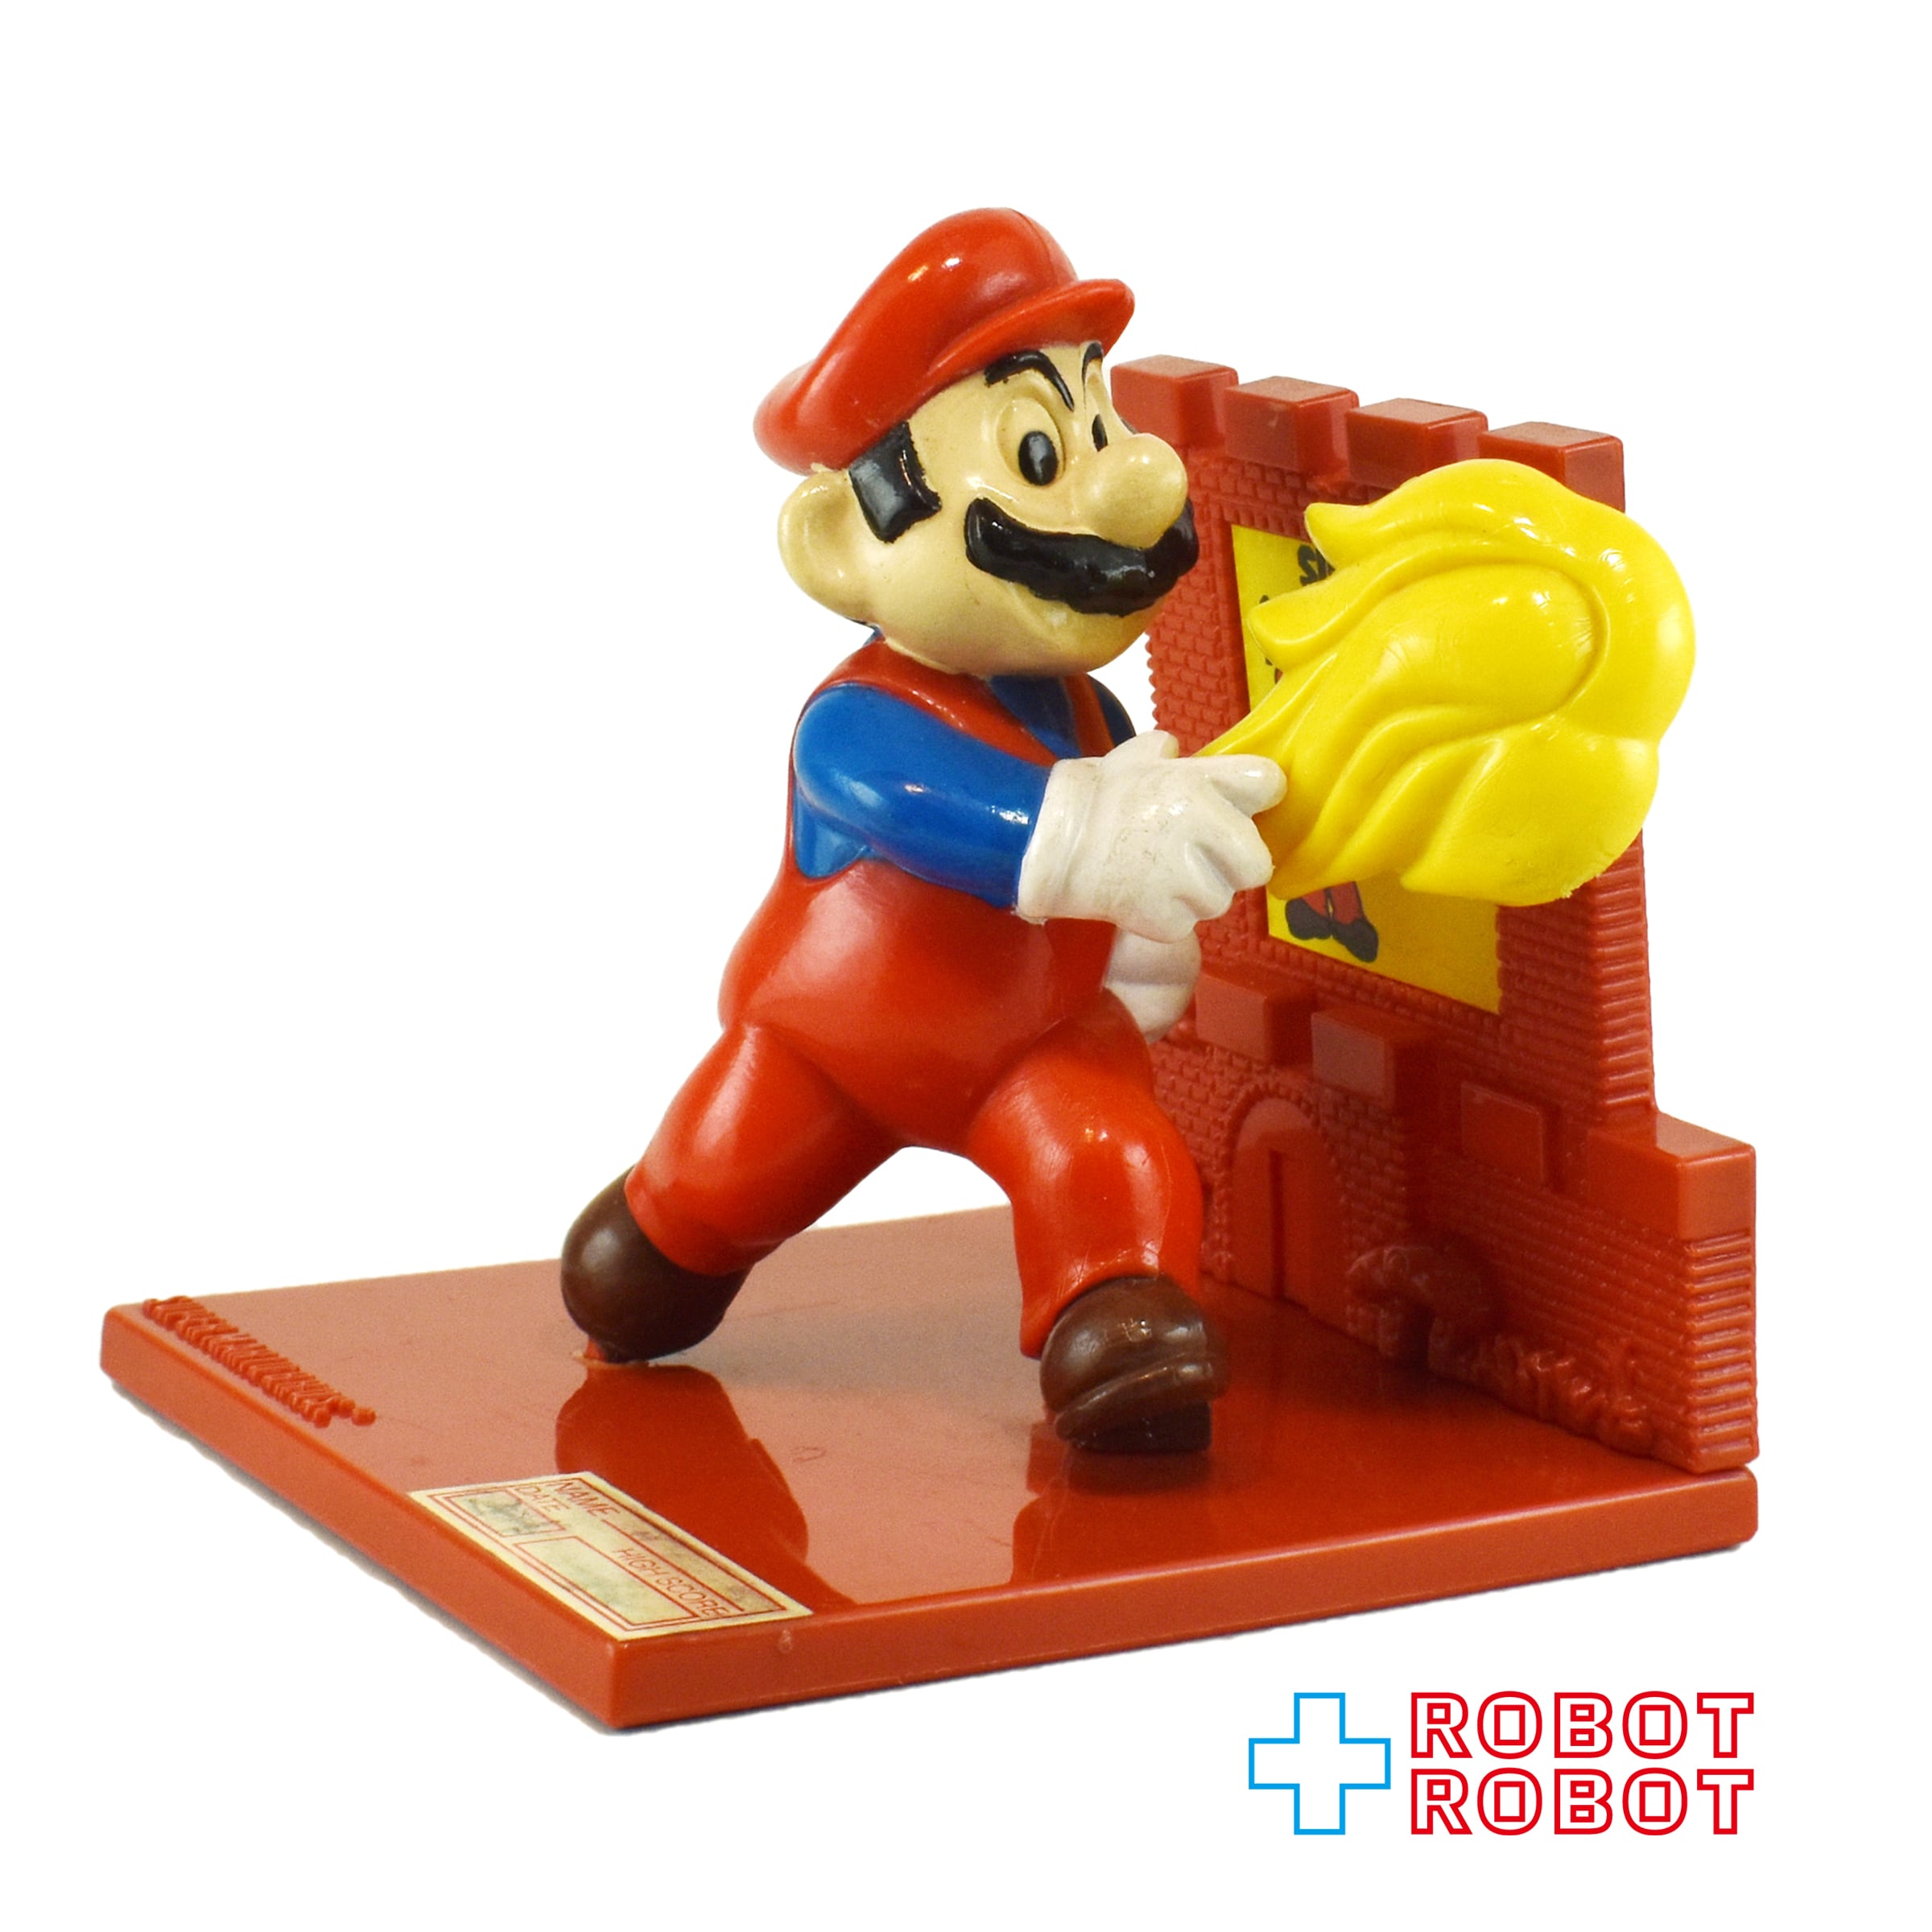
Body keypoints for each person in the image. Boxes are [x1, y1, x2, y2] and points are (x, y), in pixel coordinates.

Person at [563, 210, 1283, 1452]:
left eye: (1098, 429)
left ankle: (1120, 1322)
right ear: (843, 542)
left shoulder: (1092, 718)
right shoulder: (857, 723)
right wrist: (1093, 837)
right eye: (1041, 453)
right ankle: (661, 1244)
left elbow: (1115, 851)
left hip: (1030, 1046)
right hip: (824, 1048)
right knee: (702, 1193)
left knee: (1110, 1158)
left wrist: (1141, 942)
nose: (1135, 481)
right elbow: (952, 813)